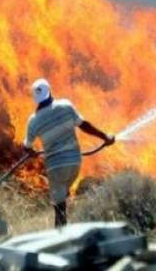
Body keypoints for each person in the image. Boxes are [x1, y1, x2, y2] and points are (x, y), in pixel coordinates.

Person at [23, 78, 115, 227]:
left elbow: (26, 146)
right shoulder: (65, 105)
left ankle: (61, 239)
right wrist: (105, 136)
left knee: (59, 209)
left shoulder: (33, 121)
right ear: (49, 91)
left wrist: (32, 152)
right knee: (64, 195)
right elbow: (84, 125)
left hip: (56, 167)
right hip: (74, 163)